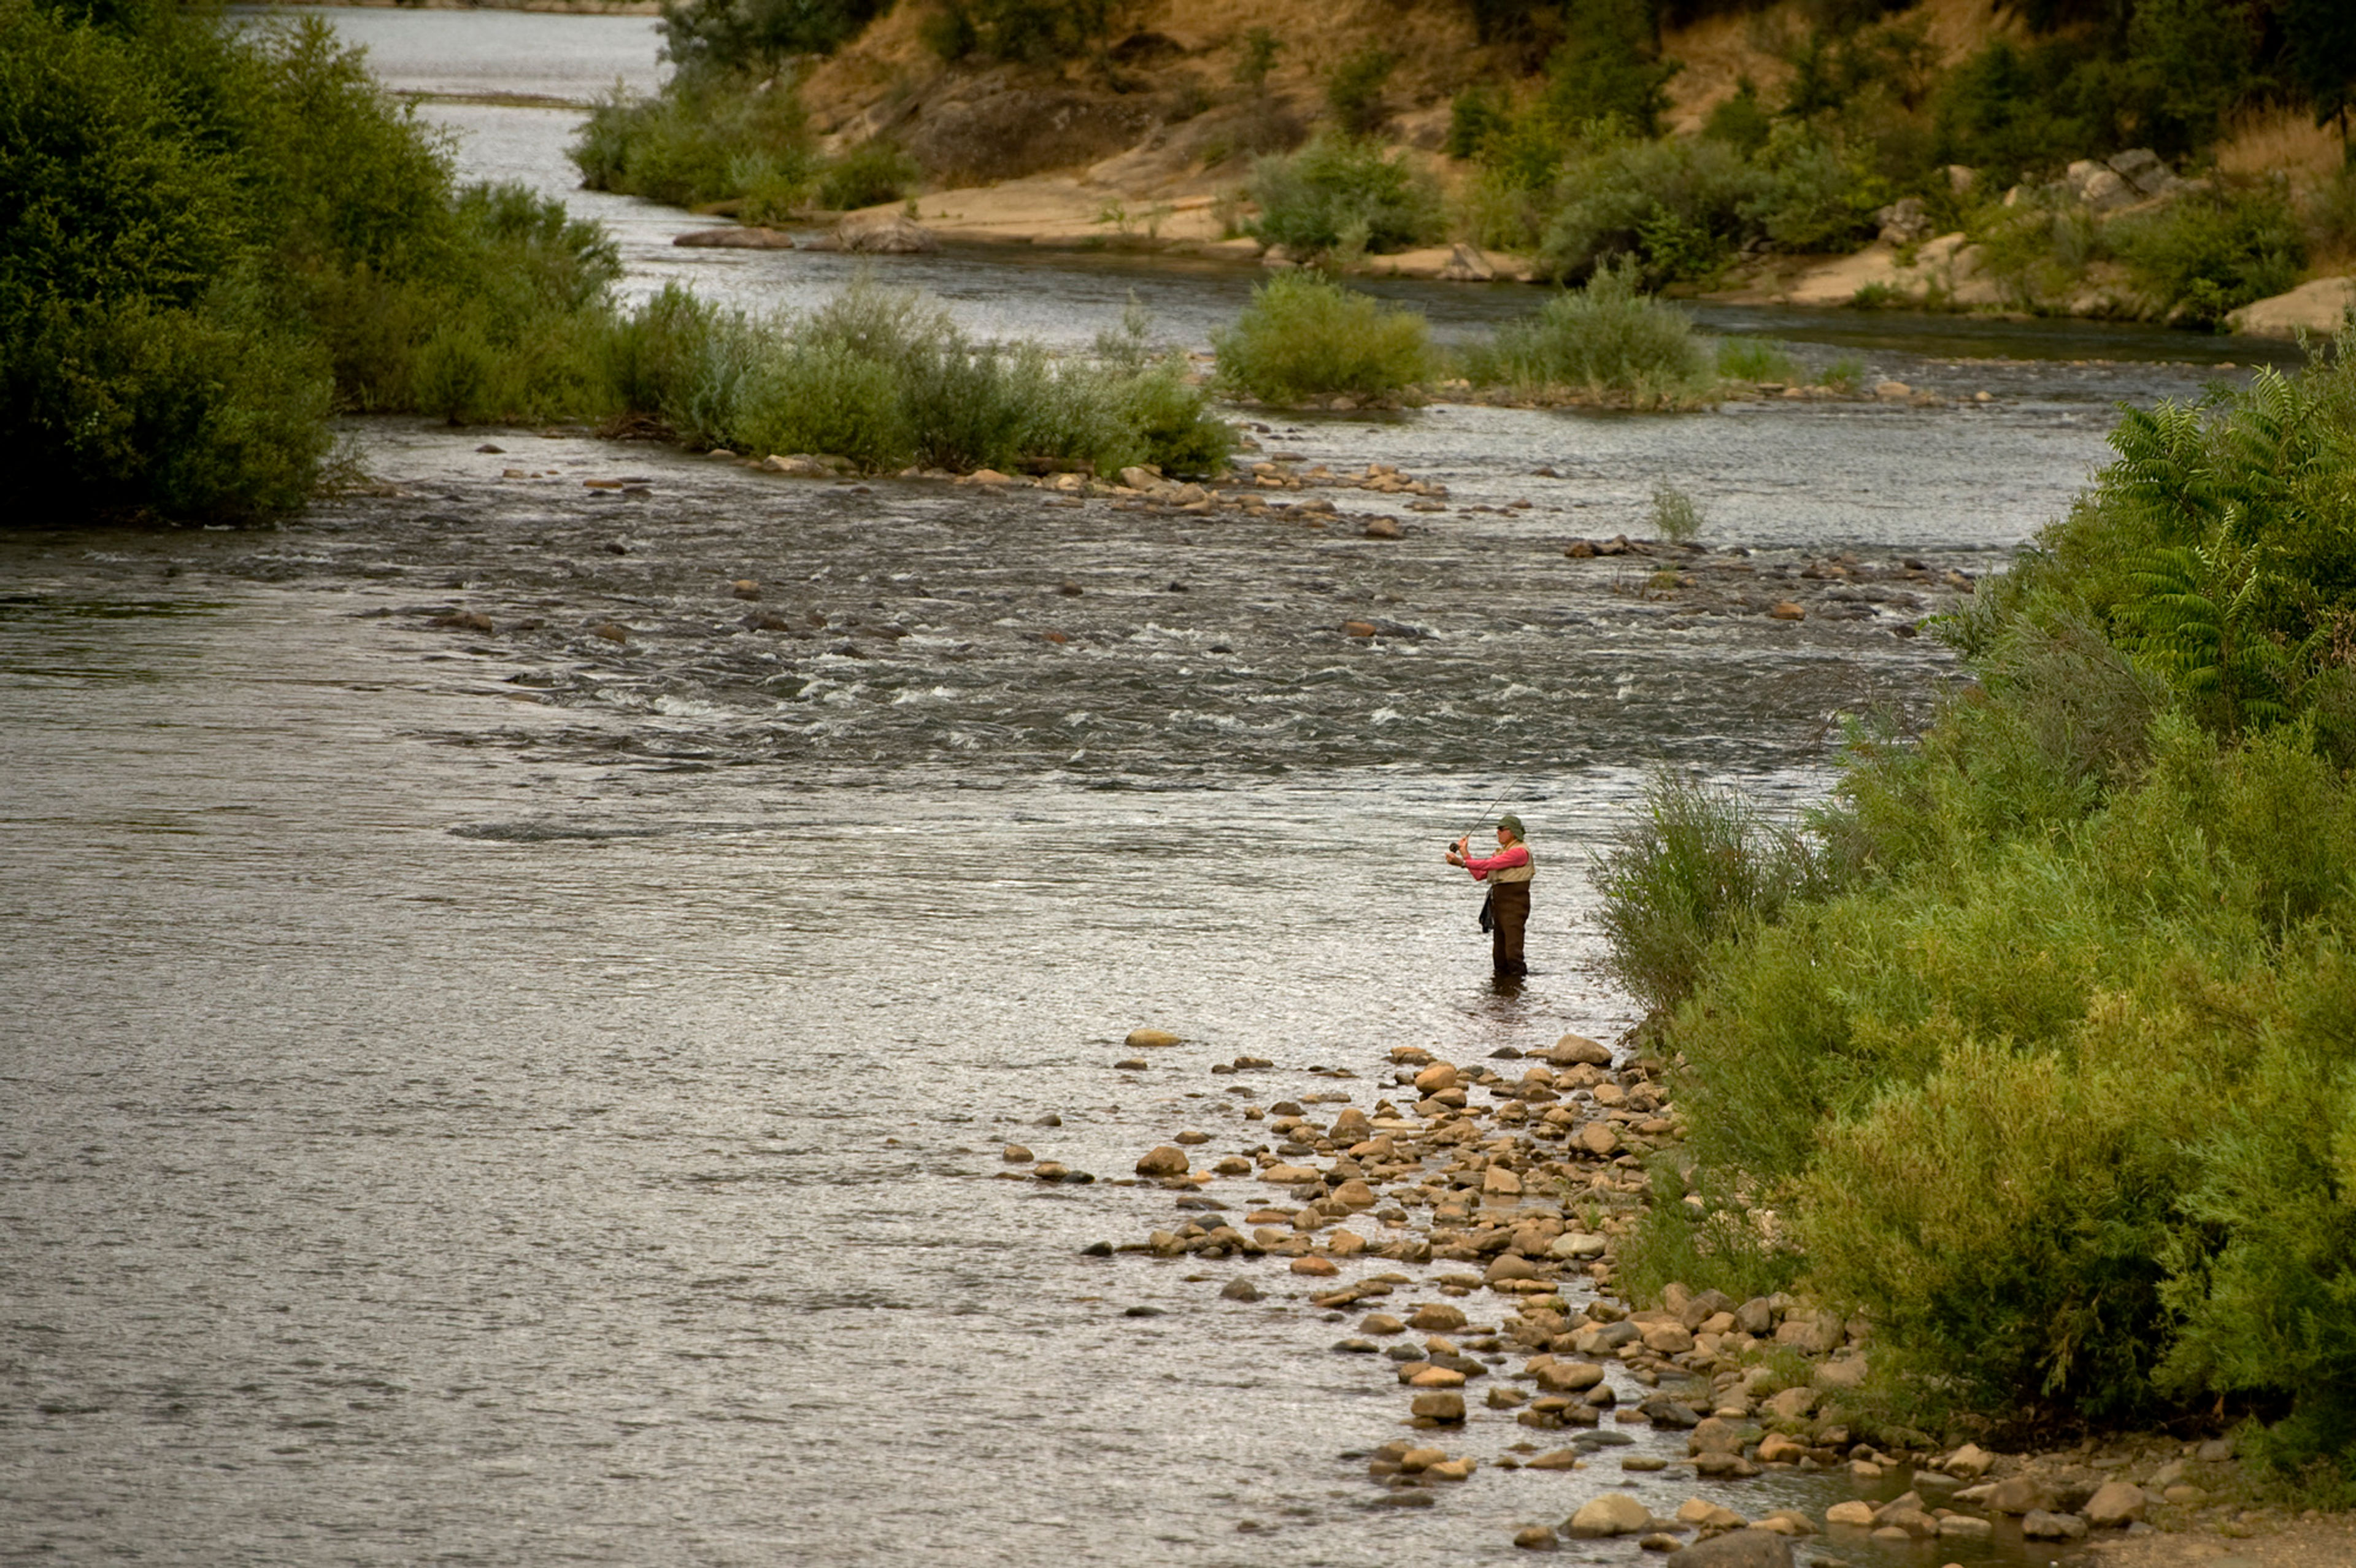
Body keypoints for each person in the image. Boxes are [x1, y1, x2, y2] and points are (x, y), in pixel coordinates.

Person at [1447, 814, 1533, 977]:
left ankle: (1519, 990)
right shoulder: (1503, 852)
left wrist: (1462, 863)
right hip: (1499, 906)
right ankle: (1503, 992)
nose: (1497, 832)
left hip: (1515, 907)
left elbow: (1490, 864)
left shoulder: (1519, 852)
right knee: (1499, 956)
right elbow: (1479, 875)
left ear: (1512, 832)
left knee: (1513, 953)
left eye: (1501, 829)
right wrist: (1465, 854)